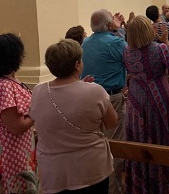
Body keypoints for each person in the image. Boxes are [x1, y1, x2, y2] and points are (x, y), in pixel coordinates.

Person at [30, 39, 118, 193]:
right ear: (77, 65)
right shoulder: (95, 91)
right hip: (90, 169)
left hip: (54, 170)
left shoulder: (38, 91)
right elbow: (111, 122)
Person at [123, 16, 169, 193]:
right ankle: (165, 185)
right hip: (158, 96)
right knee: (162, 136)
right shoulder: (160, 48)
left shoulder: (126, 51)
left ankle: (141, 186)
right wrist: (166, 41)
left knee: (139, 137)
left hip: (135, 98)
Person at [0, 33, 38, 193]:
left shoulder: (3, 80)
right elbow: (16, 127)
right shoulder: (3, 86)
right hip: (8, 156)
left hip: (14, 152)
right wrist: (37, 110)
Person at [81, 9, 127, 194]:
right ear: (109, 25)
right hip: (110, 98)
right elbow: (131, 58)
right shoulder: (116, 42)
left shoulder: (84, 43)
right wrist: (119, 30)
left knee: (95, 144)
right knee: (114, 146)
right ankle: (113, 189)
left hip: (87, 96)